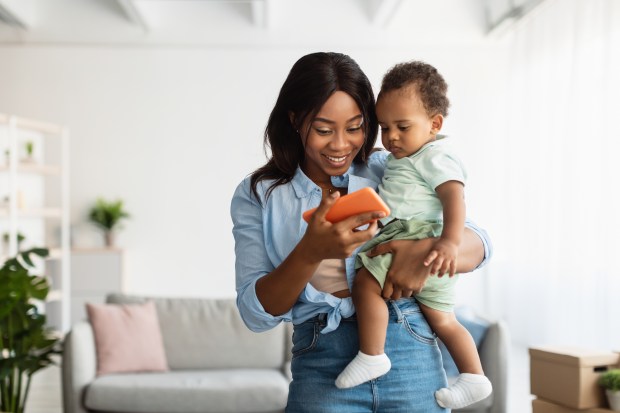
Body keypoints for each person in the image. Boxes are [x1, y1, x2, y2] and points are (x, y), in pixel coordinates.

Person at [231, 52, 492, 413]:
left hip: (410, 344)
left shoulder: (392, 166)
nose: (340, 145)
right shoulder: (260, 195)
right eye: (324, 130)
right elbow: (255, 313)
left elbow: (480, 242)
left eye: (355, 128)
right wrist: (310, 251)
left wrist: (423, 254)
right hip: (323, 361)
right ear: (294, 120)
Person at [334, 61, 493, 410]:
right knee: (444, 319)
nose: (391, 137)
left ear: (434, 124)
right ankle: (474, 376)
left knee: (364, 283)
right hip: (420, 238)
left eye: (402, 127)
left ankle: (372, 353)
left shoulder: (434, 156)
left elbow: (455, 198)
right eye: (385, 127)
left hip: (418, 234)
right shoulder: (400, 157)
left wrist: (448, 243)